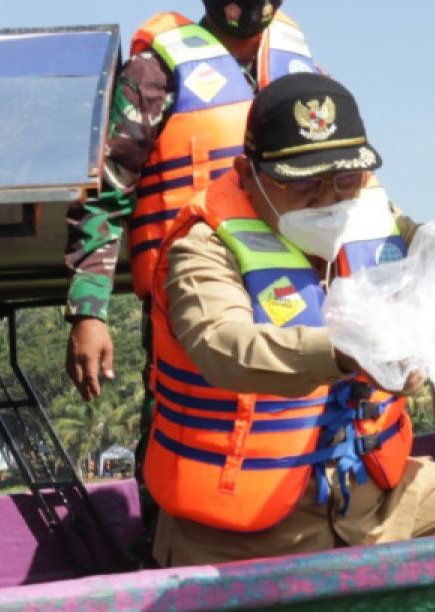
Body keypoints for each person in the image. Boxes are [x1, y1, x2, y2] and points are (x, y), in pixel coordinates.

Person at [145, 73, 435, 567]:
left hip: (378, 496)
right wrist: (348, 349)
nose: (328, 200)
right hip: (243, 528)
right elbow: (223, 346)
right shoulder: (203, 246)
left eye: (346, 179)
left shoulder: (373, 213)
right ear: (247, 173)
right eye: (303, 183)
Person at [62, 1, 320, 555]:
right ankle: (164, 557)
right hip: (188, 301)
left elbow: (340, 186)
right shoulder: (155, 73)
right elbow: (106, 193)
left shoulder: (303, 71)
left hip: (294, 297)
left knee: (301, 429)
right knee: (179, 434)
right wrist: (89, 310)